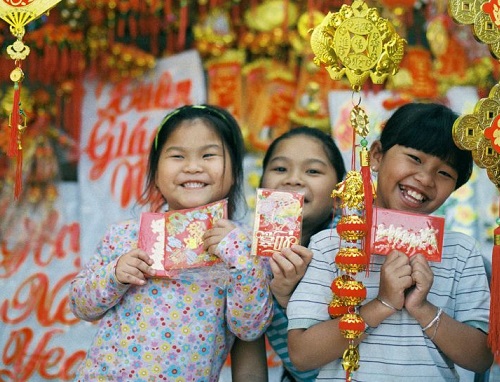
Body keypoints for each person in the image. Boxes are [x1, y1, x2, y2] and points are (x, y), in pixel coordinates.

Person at [286, 102, 494, 381]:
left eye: (444, 173)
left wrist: (423, 309)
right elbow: (302, 354)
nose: (425, 178)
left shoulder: (461, 253)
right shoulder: (332, 245)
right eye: (415, 158)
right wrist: (382, 303)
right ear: (376, 156)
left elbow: (481, 358)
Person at [69, 104, 273, 381]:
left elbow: (249, 328)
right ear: (154, 172)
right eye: (177, 156)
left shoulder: (244, 247)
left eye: (209, 155)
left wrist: (241, 258)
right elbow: (81, 305)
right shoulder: (125, 236)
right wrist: (115, 274)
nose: (192, 167)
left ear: (235, 172)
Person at [231, 126, 346, 382]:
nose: (293, 179)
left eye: (313, 171)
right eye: (280, 169)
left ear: (340, 190)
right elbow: (249, 347)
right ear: (261, 184)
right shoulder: (247, 256)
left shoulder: (352, 246)